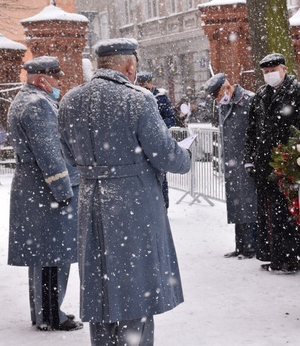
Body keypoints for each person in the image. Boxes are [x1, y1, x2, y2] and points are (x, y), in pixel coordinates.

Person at [58, 38, 191, 345]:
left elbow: (68, 154)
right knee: (136, 289)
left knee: (101, 289)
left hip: (90, 201)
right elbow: (164, 153)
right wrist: (184, 156)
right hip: (133, 204)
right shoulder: (137, 99)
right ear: (130, 66)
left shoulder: (70, 101)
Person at [6, 56, 82, 331]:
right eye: (56, 77)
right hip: (46, 189)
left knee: (43, 256)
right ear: (42, 80)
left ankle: (44, 312)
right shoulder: (38, 105)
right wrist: (63, 190)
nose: (61, 82)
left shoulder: (25, 100)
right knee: (53, 256)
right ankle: (50, 315)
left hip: (35, 187)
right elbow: (50, 154)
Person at [244, 53, 300, 273]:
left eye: (272, 71)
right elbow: (252, 129)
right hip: (265, 163)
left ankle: (291, 257)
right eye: (265, 72)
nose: (269, 76)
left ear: (284, 69)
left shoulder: (299, 91)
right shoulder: (260, 95)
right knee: (268, 211)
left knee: (288, 211)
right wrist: (250, 158)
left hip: (288, 161)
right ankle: (273, 255)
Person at [204, 73, 258, 259]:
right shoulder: (224, 105)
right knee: (237, 205)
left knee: (249, 204)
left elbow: (256, 131)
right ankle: (241, 246)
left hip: (246, 160)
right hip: (232, 162)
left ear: (226, 88)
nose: (218, 100)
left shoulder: (249, 101)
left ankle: (252, 246)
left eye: (218, 96)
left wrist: (251, 158)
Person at [137, 70, 176, 209]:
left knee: (161, 175)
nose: (145, 87)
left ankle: (163, 206)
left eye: (147, 84)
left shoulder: (161, 98)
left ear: (151, 83)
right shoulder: (135, 96)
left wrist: (158, 127)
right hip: (141, 145)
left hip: (159, 142)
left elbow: (171, 118)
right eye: (141, 84)